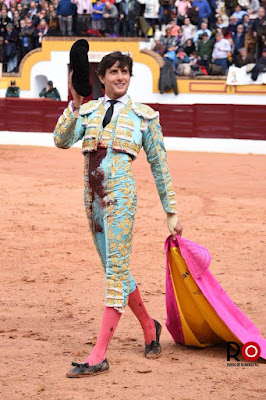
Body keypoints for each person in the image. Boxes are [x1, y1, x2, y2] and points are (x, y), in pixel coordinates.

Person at [53, 50, 183, 377]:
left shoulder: (144, 116)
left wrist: (171, 211)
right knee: (116, 271)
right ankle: (150, 327)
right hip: (92, 198)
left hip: (121, 195)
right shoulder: (89, 110)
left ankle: (99, 354)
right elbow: (60, 140)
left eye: (124, 71)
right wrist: (73, 103)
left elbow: (159, 165)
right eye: (113, 72)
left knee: (115, 272)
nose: (120, 77)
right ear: (102, 77)